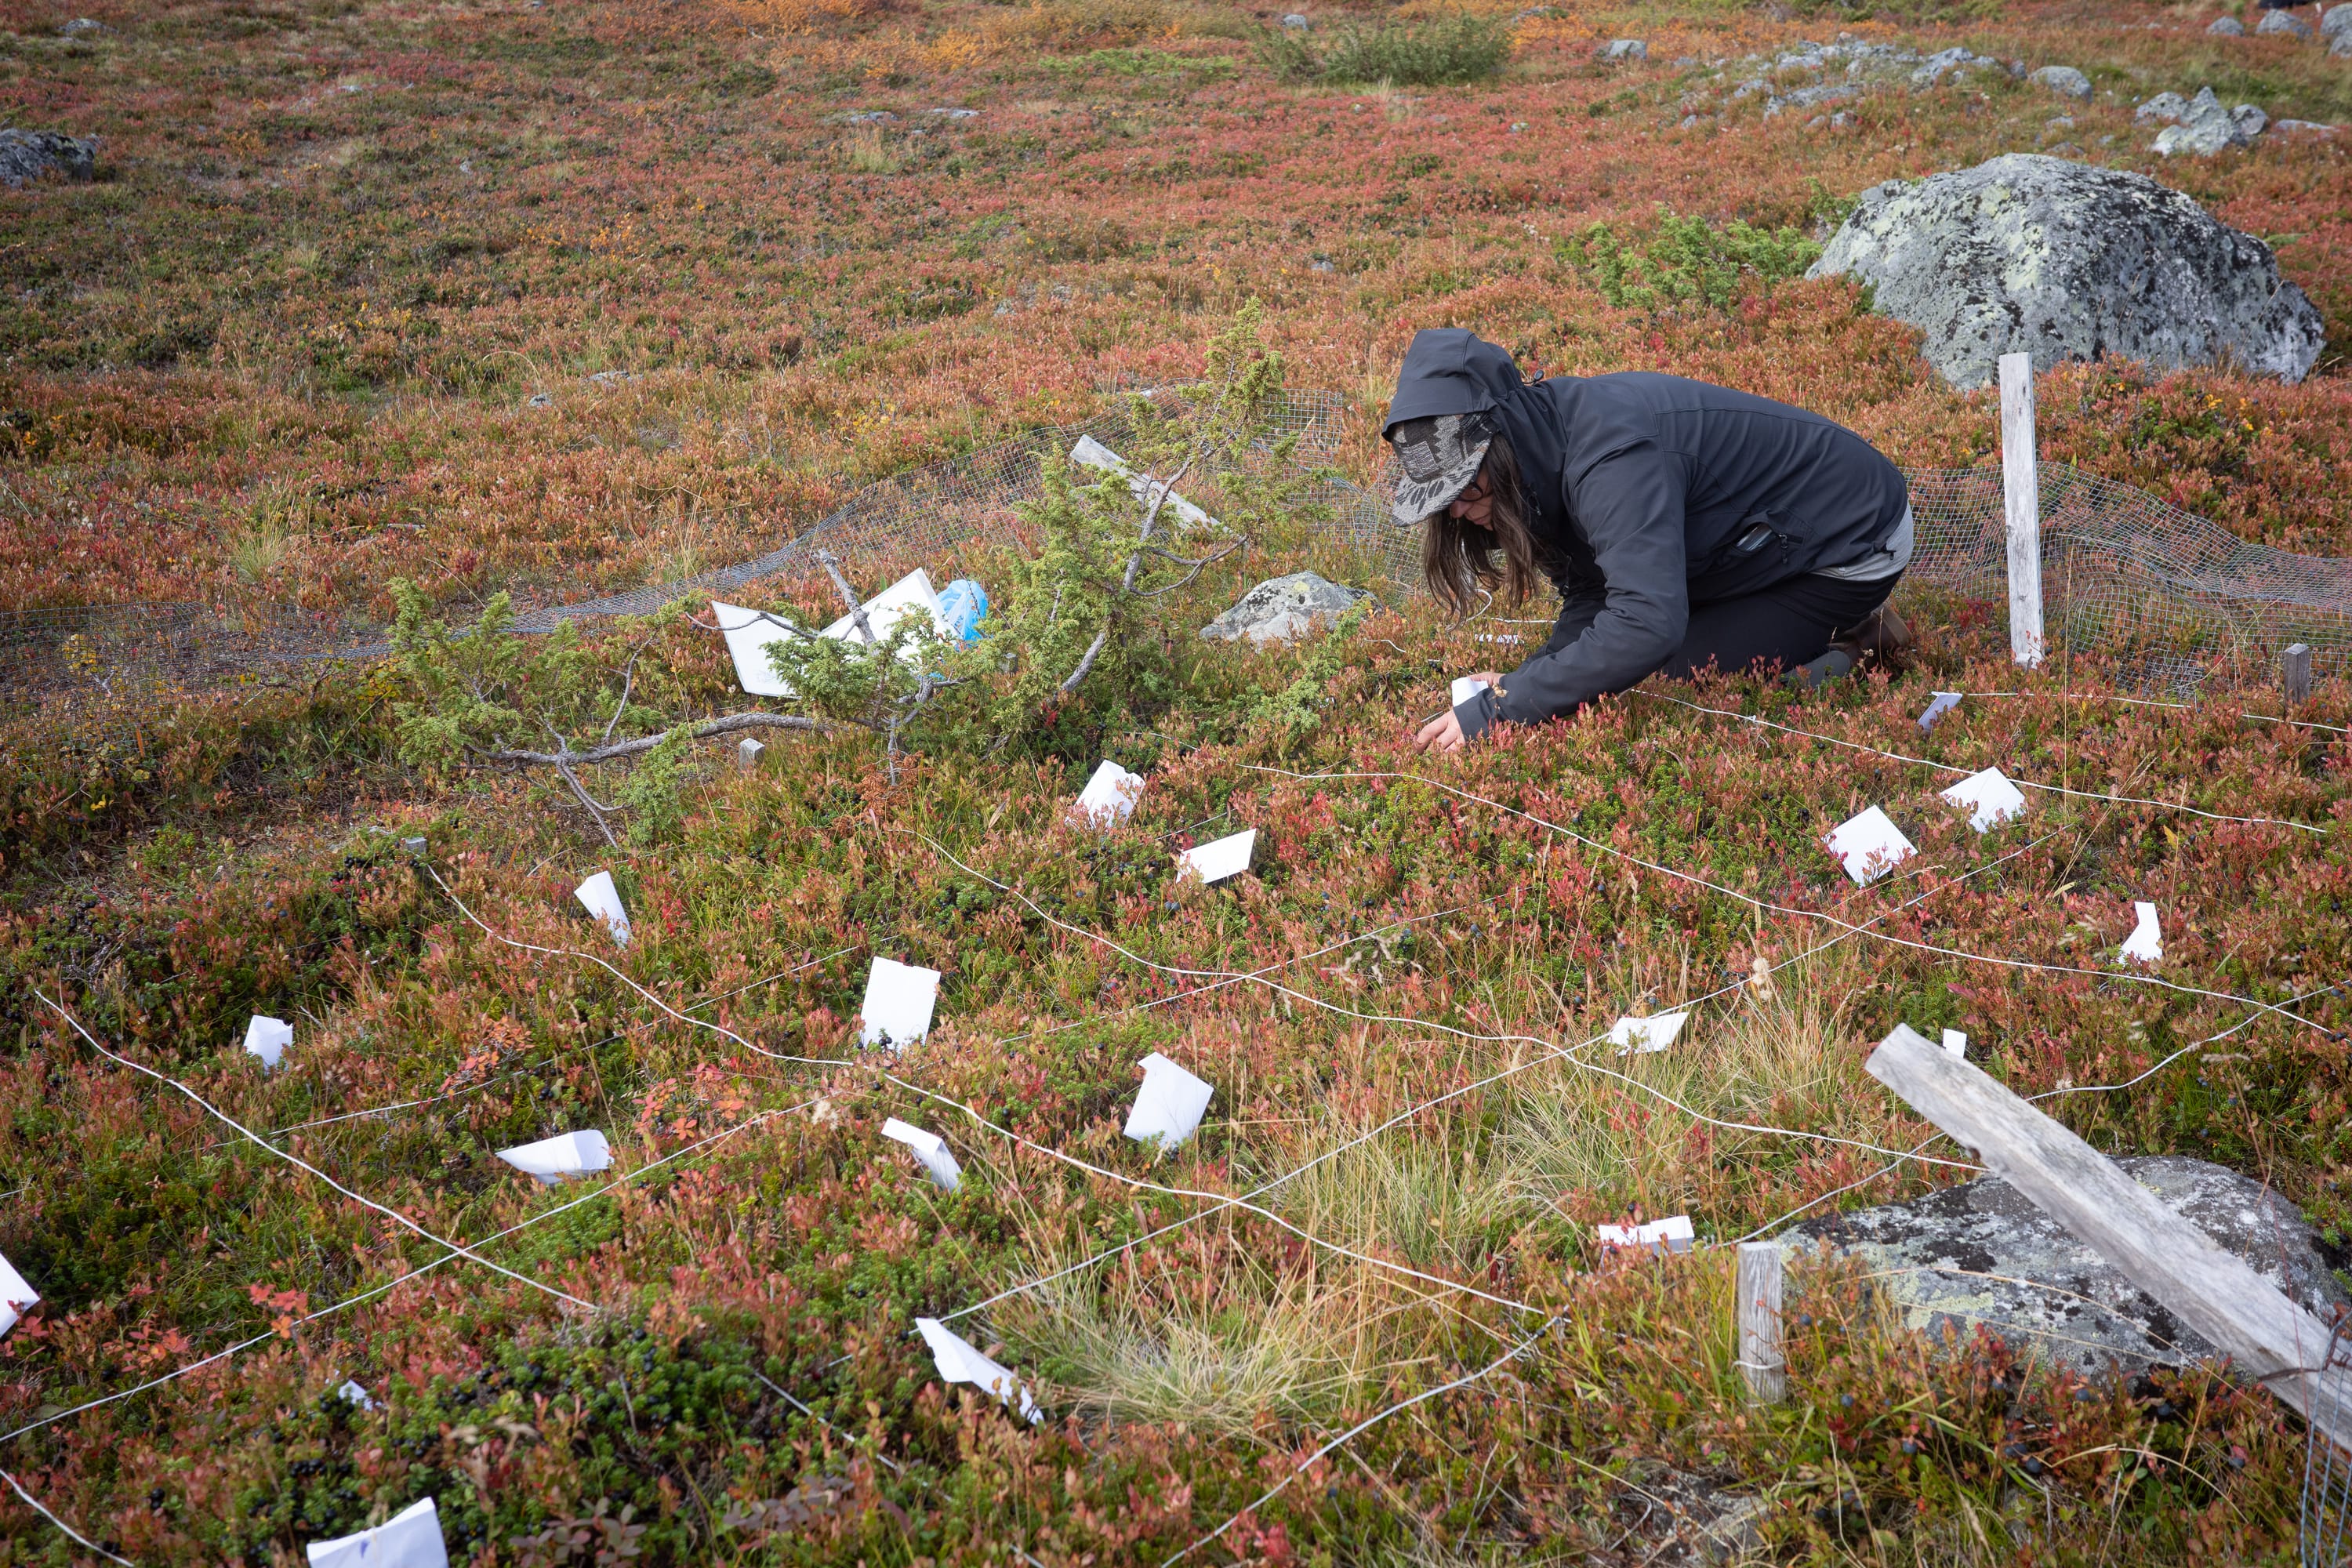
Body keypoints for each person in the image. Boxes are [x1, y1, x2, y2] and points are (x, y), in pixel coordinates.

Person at [1385, 329, 1915, 754]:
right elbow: (1594, 591)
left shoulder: (1612, 457)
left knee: (1666, 670)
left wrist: (1504, 709)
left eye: (1465, 482)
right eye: (1442, 495)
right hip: (1748, 544)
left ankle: (1861, 643)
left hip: (1851, 545)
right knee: (1610, 664)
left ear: (1502, 441)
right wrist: (1520, 683)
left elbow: (1645, 624)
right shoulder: (1542, 450)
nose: (1455, 508)